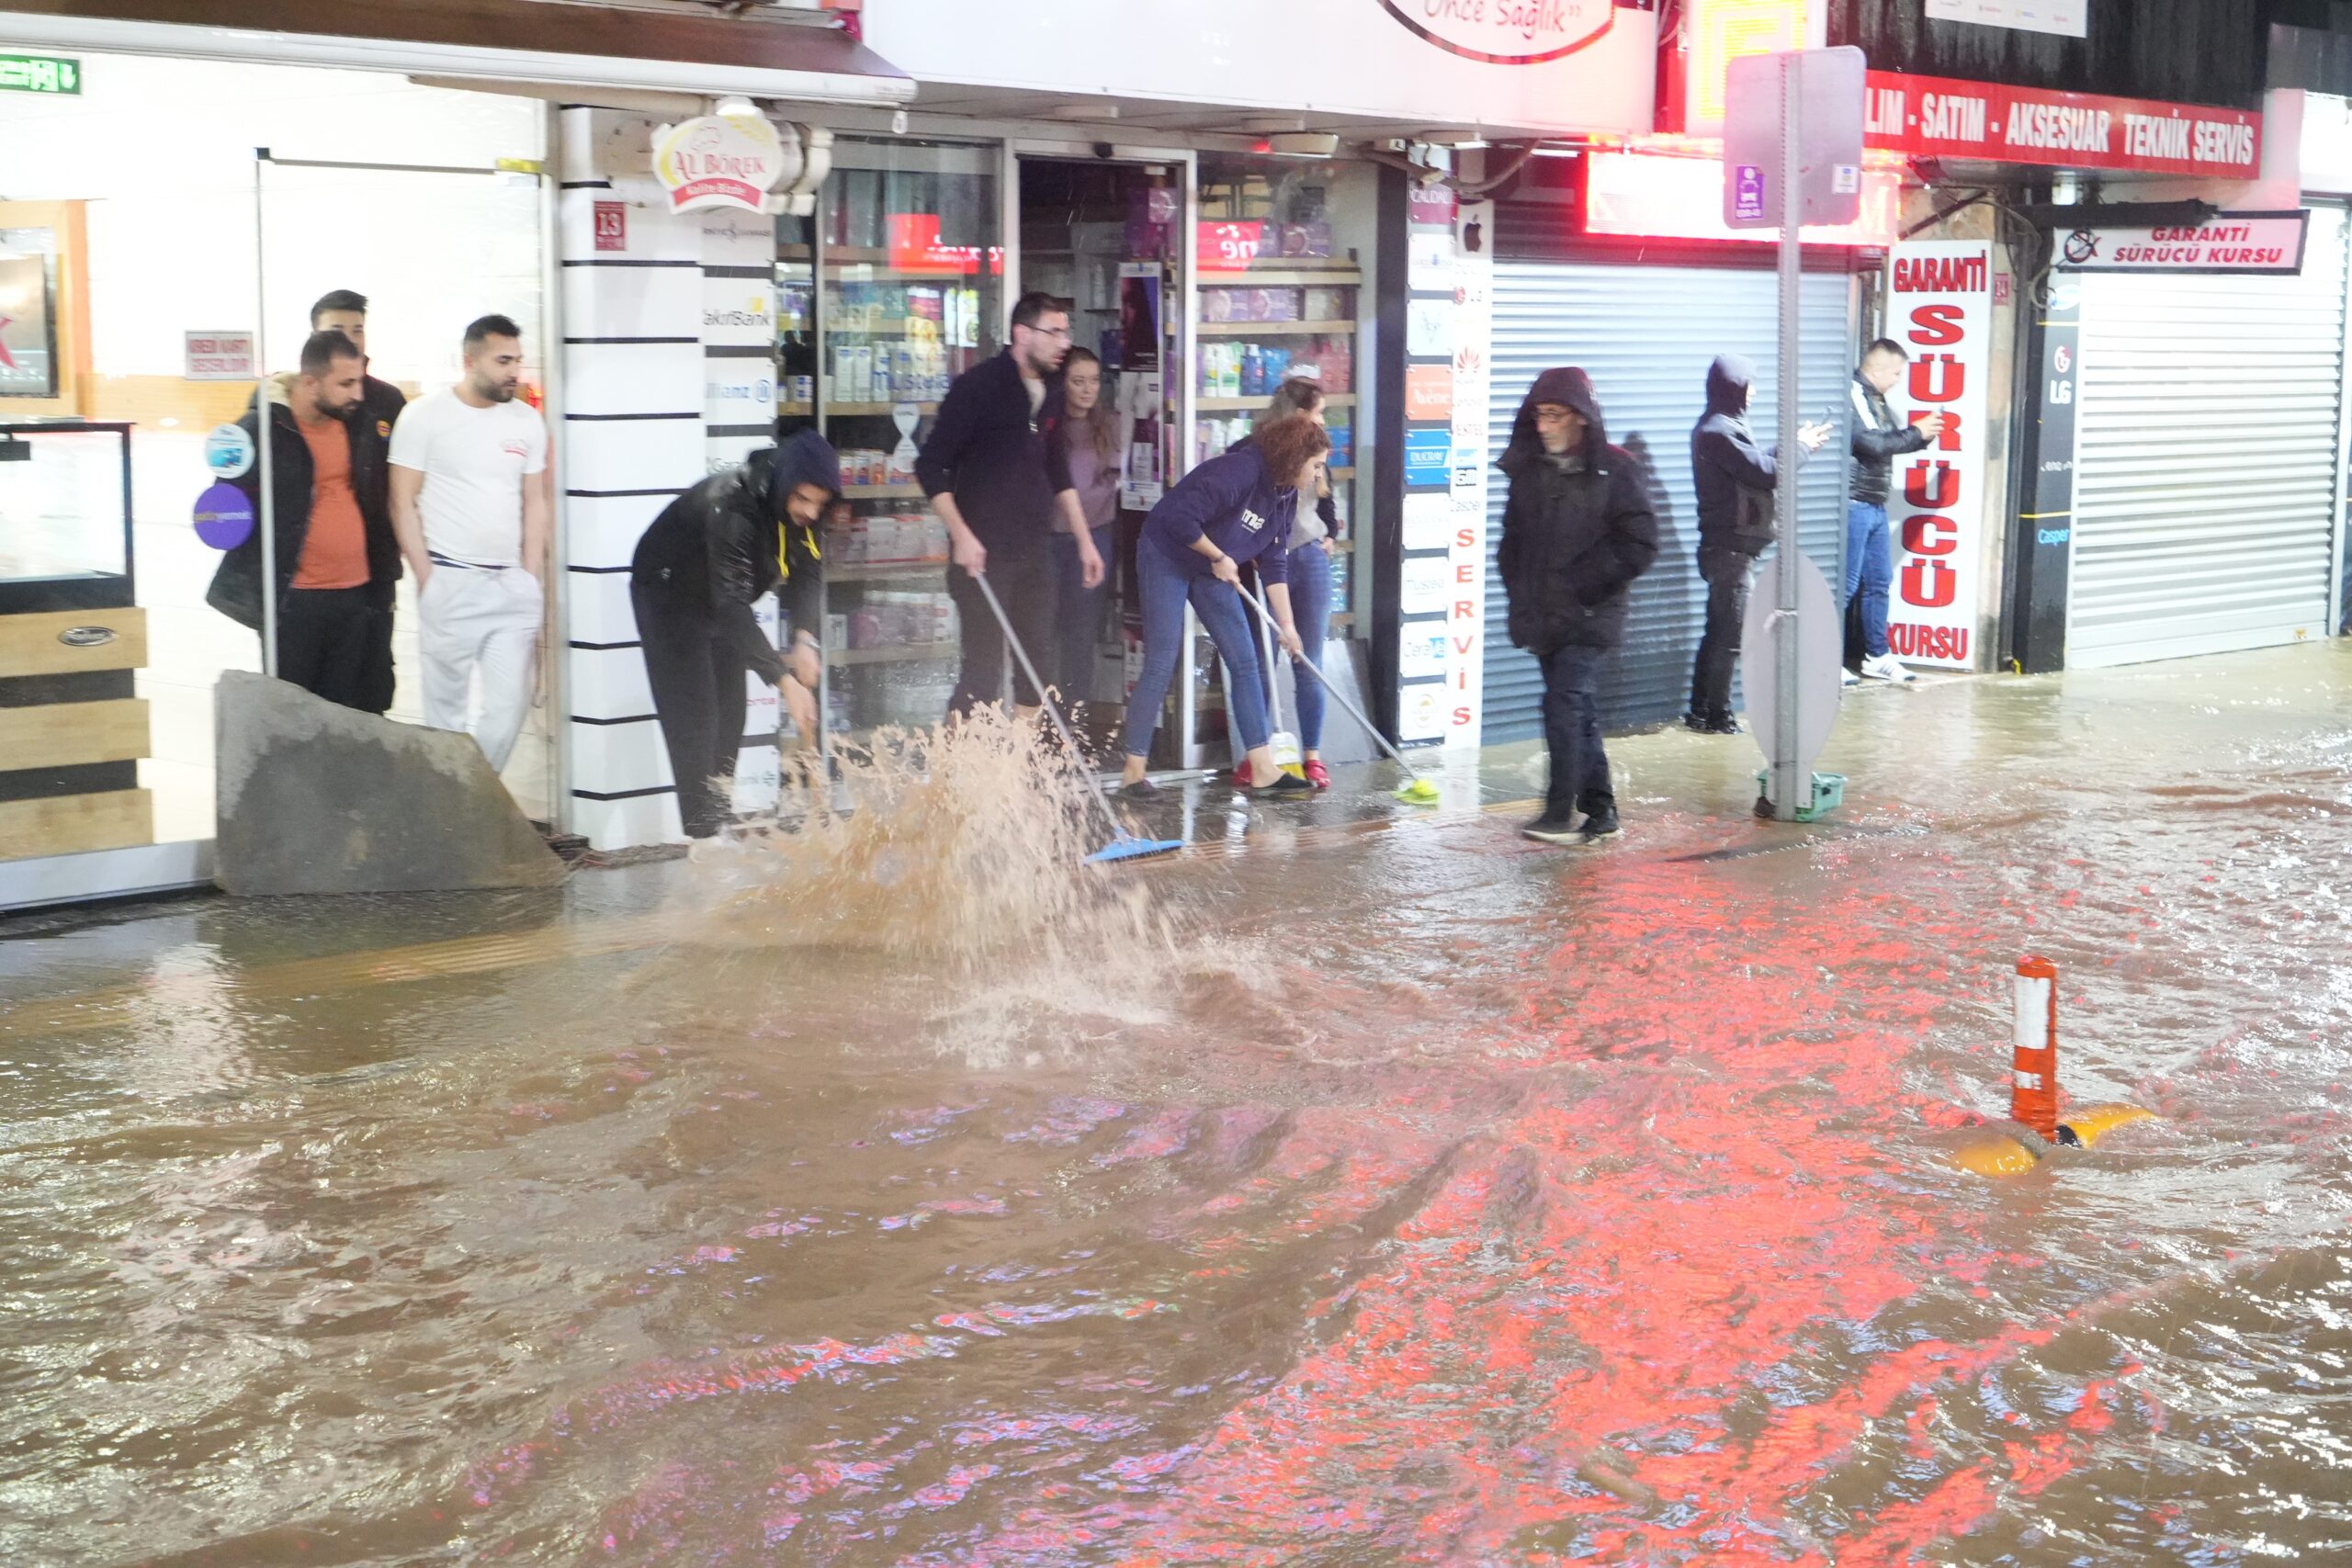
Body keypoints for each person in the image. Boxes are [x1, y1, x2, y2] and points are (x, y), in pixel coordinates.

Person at [631, 430, 839, 841]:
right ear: (784, 488)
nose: (810, 512)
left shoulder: (804, 513)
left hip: (722, 597)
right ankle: (703, 839)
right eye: (803, 500)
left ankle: (717, 824)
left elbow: (808, 573)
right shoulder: (734, 505)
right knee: (697, 716)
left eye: (819, 503)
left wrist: (806, 639)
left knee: (731, 715)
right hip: (669, 590)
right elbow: (730, 607)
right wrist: (784, 681)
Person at [916, 292, 1105, 720]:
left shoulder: (1053, 389)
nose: (1064, 342)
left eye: (1066, 331)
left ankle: (1015, 776)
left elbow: (1055, 464)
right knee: (982, 672)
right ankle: (954, 776)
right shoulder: (978, 387)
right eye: (1054, 331)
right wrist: (961, 536)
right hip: (982, 554)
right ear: (1022, 333)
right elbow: (929, 466)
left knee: (1037, 668)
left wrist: (1084, 541)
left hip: (1033, 549)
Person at [1117, 413, 1326, 799]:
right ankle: (1133, 772)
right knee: (1163, 657)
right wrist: (1217, 555)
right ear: (1295, 456)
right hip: (1167, 553)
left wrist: (1288, 626)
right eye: (1315, 465)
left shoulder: (1285, 495)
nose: (1317, 475)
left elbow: (1274, 561)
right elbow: (1178, 518)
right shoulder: (1241, 470)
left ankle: (1263, 769)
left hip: (1211, 566)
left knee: (1245, 661)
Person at [1498, 368, 1659, 847]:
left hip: (1591, 614)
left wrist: (1581, 586)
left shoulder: (1616, 469)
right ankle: (1602, 810)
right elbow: (1513, 541)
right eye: (1539, 415)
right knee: (1578, 709)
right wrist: (1521, 593)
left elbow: (1640, 544)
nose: (1544, 426)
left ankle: (1558, 811)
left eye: (1554, 415)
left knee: (1563, 705)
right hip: (1544, 613)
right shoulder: (1530, 471)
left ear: (1581, 418)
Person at [205, 330, 402, 713]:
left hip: (354, 595)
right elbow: (224, 509)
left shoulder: (357, 423)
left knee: (344, 712)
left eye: (358, 381)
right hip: (294, 601)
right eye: (345, 384)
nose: (357, 394)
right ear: (310, 382)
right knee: (291, 715)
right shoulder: (261, 429)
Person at [389, 313, 550, 773]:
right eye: (503, 361)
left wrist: (529, 577)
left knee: (508, 709)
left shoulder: (526, 421)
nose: (513, 372)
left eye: (517, 360)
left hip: (510, 585)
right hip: (450, 578)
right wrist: (427, 577)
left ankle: (470, 794)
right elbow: (401, 501)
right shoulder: (424, 416)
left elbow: (535, 503)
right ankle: (450, 818)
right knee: (446, 719)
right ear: (469, 361)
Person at [1686, 354, 1829, 735]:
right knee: (1730, 638)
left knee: (1720, 633)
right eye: (1750, 384)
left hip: (1732, 550)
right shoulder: (1718, 431)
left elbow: (1755, 463)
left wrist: (1795, 445)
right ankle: (1717, 719)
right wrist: (1797, 448)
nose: (1755, 392)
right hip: (1729, 551)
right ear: (1735, 387)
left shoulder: (1725, 427)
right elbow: (1765, 473)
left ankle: (1701, 713)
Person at [1234, 377, 1347, 788]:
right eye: (1318, 412)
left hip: (1307, 557)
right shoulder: (1250, 453)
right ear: (1299, 416)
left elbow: (1326, 496)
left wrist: (1330, 533)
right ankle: (1257, 756)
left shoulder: (1315, 452)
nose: (1323, 421)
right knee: (1258, 663)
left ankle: (1312, 756)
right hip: (1260, 563)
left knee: (1308, 660)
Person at [1847, 338, 1943, 684]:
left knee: (1878, 584)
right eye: (1897, 373)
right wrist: (1916, 433)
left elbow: (1885, 443)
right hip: (1854, 502)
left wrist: (1921, 437)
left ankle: (1877, 656)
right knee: (1846, 586)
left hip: (1873, 503)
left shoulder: (1876, 398)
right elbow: (1871, 444)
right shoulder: (1853, 393)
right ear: (1876, 370)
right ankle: (1827, 659)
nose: (1899, 380)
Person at [1052, 347, 1122, 699]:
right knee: (1044, 631)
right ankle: (1038, 723)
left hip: (1096, 537)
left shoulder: (1110, 423)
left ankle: (1073, 722)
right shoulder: (1049, 426)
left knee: (1082, 634)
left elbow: (1122, 481)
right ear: (1062, 383)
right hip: (1049, 539)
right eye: (1078, 381)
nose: (1087, 389)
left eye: (1094, 381)